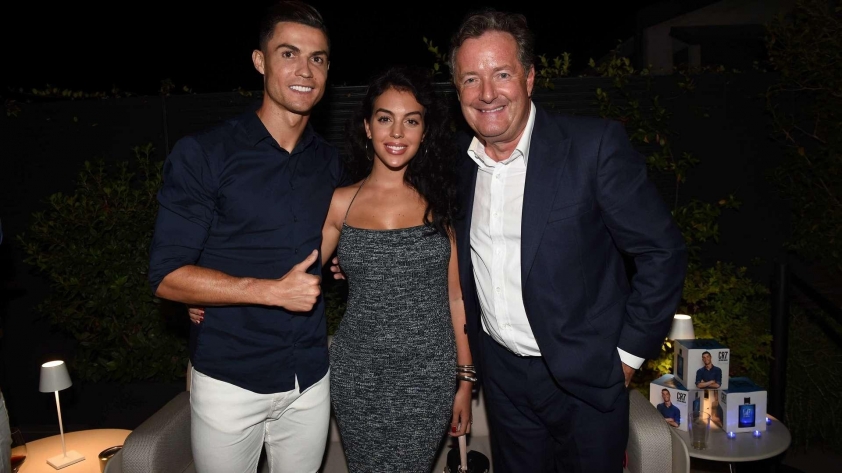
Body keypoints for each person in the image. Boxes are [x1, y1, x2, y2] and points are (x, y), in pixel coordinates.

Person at [192, 65, 474, 472]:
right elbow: (288, 269)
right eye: (385, 119)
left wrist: (465, 379)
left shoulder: (441, 202)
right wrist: (209, 288)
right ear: (367, 127)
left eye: (411, 121)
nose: (397, 133)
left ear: (424, 131)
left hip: (428, 374)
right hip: (358, 373)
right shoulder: (340, 201)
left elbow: (456, 296)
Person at [446, 8, 688, 472]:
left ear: (529, 78)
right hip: (504, 381)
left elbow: (662, 251)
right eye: (471, 79)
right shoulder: (459, 162)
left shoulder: (592, 147)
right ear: (458, 91)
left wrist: (626, 358)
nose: (487, 93)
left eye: (502, 74)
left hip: (587, 381)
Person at [147, 2, 343, 472]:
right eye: (289, 54)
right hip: (230, 379)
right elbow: (167, 276)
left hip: (309, 377)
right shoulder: (205, 153)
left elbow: (324, 238)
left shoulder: (329, 161)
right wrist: (269, 292)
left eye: (317, 58)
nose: (305, 70)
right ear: (260, 61)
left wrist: (344, 259)